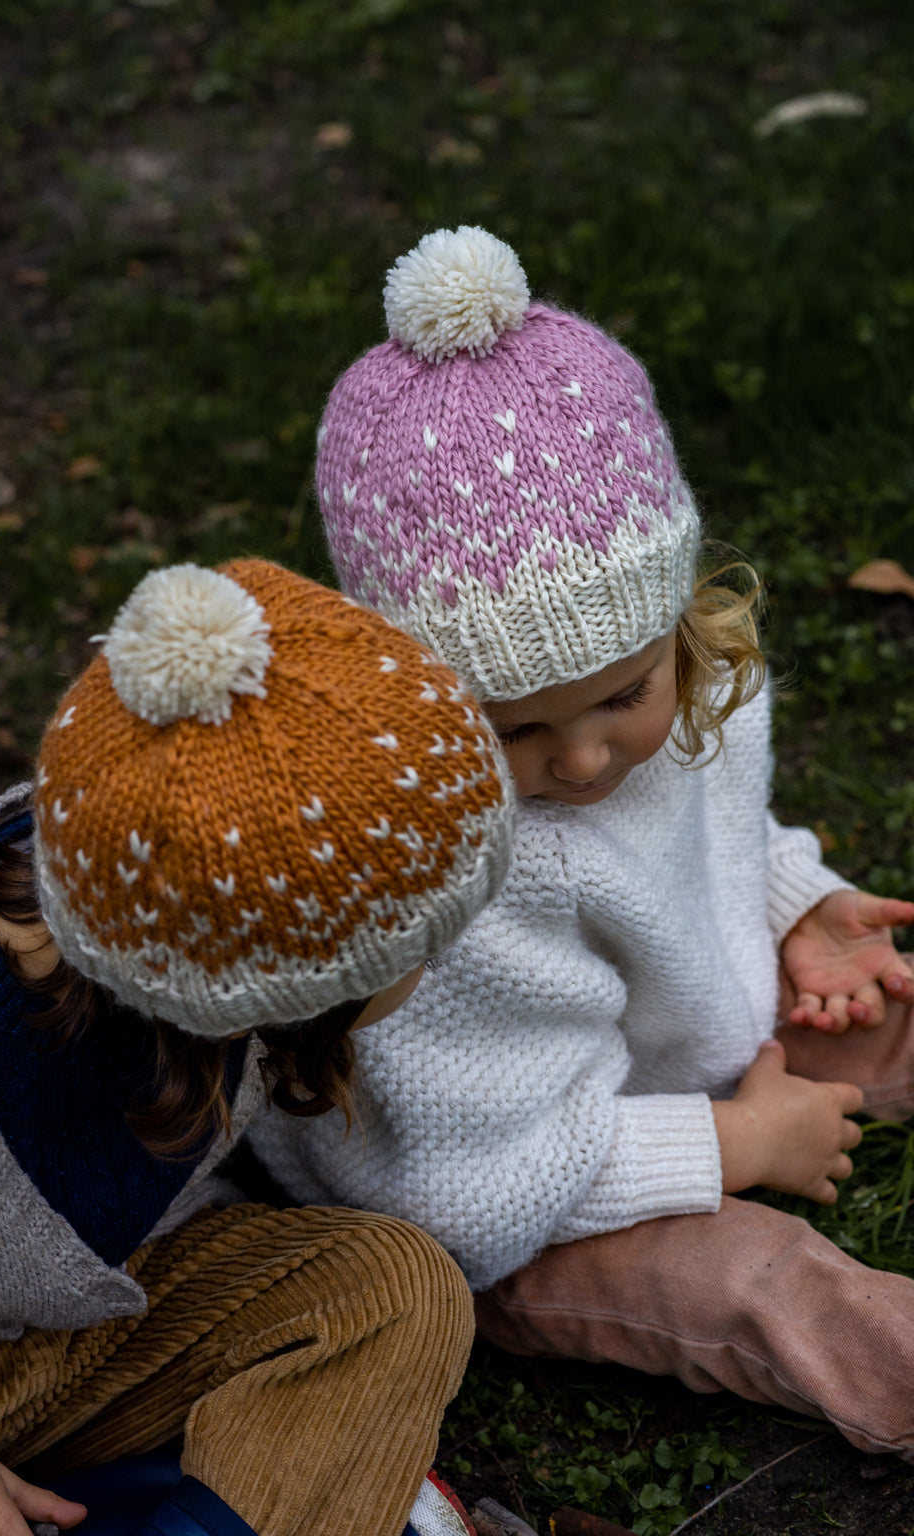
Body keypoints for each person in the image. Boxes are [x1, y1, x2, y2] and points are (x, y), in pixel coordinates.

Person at [247, 226, 914, 1459]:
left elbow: (718, 833)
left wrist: (791, 905)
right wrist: (732, 1145)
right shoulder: (439, 876)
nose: (586, 760)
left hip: (650, 1056)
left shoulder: (694, 686)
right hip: (512, 1192)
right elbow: (464, 1186)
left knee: (887, 1000)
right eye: (515, 729)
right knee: (762, 1275)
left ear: (673, 623)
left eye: (622, 696)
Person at [0, 555, 514, 1536]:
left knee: (397, 1290)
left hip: (98, 1339)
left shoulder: (190, 921)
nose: (439, 958)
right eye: (424, 944)